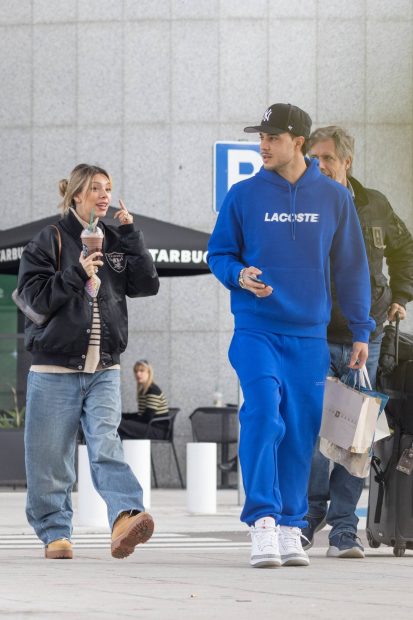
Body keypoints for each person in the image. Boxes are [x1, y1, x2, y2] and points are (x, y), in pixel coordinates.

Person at [207, 103, 375, 569]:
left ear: (297, 142)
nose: (262, 145)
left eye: (272, 137)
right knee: (263, 413)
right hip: (257, 329)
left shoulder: (335, 199)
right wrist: (240, 276)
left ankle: (288, 524)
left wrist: (361, 329)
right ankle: (261, 521)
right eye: (260, 137)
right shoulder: (242, 196)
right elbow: (218, 253)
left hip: (308, 336)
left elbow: (352, 269)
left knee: (301, 430)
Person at [17, 163, 160, 560]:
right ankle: (55, 533)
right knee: (50, 458)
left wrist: (132, 236)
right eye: (95, 187)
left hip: (104, 367)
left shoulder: (116, 239)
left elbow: (147, 285)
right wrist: (77, 274)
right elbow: (33, 298)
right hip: (54, 367)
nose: (104, 195)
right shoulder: (49, 240)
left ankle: (126, 516)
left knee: (105, 443)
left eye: (109, 188)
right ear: (77, 194)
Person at [303, 126, 413, 558]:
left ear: (347, 162)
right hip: (312, 336)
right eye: (313, 158)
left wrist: (401, 297)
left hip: (366, 338)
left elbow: (405, 249)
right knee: (312, 432)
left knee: (357, 437)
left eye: (327, 158)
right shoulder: (303, 203)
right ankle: (310, 514)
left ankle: (345, 528)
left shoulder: (375, 205)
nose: (319, 166)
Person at [118, 360, 169, 440]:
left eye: (142, 371)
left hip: (158, 430)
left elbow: (147, 417)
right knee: (119, 424)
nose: (138, 374)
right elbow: (141, 415)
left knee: (119, 424)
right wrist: (121, 416)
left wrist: (125, 420)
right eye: (136, 371)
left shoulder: (153, 390)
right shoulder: (143, 391)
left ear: (149, 373)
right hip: (149, 426)